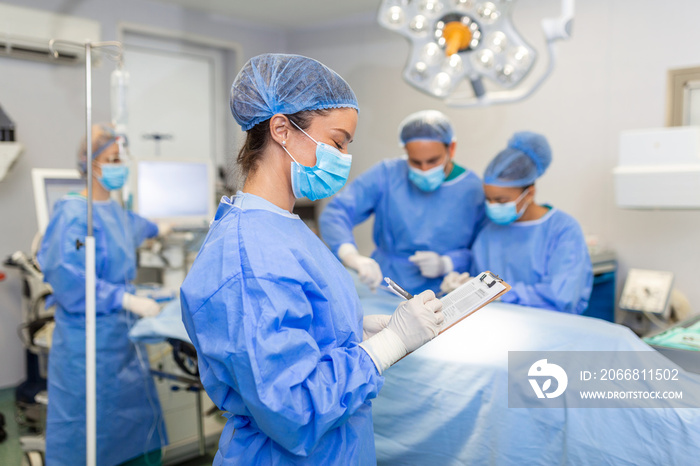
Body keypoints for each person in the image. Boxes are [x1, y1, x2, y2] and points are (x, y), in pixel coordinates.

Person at [179, 53, 444, 465]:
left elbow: (297, 330)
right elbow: (291, 410)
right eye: (337, 142)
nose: (342, 156)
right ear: (281, 128)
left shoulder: (286, 227)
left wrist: (355, 333)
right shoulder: (247, 254)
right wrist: (386, 347)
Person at [37, 124, 167, 465]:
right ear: (89, 163)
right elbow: (69, 277)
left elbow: (137, 227)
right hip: (88, 345)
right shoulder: (73, 215)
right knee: (88, 432)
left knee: (133, 425)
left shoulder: (115, 213)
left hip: (122, 341)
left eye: (121, 158)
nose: (117, 166)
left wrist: (163, 228)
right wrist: (125, 299)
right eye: (111, 159)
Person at [318, 110, 485, 296]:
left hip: (445, 292)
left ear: (451, 149)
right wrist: (351, 256)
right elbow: (337, 212)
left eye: (433, 161)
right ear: (406, 151)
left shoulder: (473, 189)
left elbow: (484, 247)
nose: (424, 169)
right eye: (415, 162)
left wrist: (448, 263)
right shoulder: (387, 174)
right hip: (386, 286)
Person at [466, 131, 592, 314]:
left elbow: (561, 297)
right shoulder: (489, 232)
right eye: (488, 199)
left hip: (551, 330)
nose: (492, 206)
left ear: (530, 193)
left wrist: (501, 294)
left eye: (501, 201)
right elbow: (476, 272)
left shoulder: (563, 229)